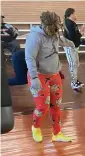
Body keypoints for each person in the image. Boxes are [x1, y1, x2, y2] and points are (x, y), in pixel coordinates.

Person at [25, 11, 75, 143]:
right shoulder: (35, 37)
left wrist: (70, 42)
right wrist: (34, 78)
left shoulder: (55, 32)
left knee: (56, 105)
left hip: (54, 74)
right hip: (39, 76)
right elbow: (30, 58)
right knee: (43, 107)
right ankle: (35, 127)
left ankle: (57, 133)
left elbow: (62, 41)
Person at [63, 8, 85, 91]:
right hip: (70, 47)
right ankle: (73, 82)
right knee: (73, 64)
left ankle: (75, 81)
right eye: (75, 13)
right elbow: (72, 37)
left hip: (74, 46)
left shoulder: (72, 23)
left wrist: (81, 33)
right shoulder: (69, 23)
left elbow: (75, 37)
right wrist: (82, 38)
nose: (76, 15)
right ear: (71, 14)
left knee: (76, 63)